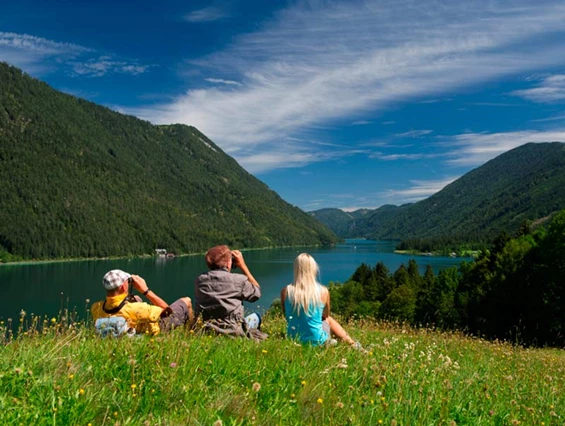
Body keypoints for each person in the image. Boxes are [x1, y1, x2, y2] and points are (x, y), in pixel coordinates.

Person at [281, 253, 362, 349]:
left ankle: (328, 342)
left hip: (293, 340)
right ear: (313, 269)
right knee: (328, 320)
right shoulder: (323, 291)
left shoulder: (286, 291)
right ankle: (351, 344)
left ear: (296, 270)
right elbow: (326, 315)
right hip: (318, 341)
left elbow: (286, 314)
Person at [193, 245, 267, 340]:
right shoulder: (238, 281)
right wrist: (242, 265)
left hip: (207, 331)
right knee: (256, 317)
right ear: (228, 263)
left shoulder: (199, 281)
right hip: (233, 332)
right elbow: (257, 293)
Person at [91, 269, 193, 336]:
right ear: (123, 286)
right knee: (186, 301)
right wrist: (145, 290)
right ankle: (192, 333)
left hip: (128, 327)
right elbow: (167, 311)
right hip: (154, 329)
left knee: (136, 298)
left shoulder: (96, 307)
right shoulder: (137, 309)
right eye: (128, 281)